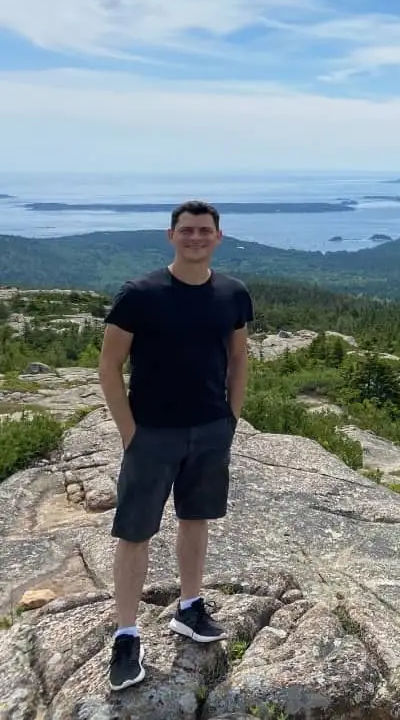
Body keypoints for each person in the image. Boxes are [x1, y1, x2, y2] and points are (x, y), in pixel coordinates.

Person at [97, 200, 254, 691]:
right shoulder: (139, 295)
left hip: (209, 428)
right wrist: (130, 432)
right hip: (153, 432)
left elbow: (238, 358)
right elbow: (109, 366)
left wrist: (231, 416)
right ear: (171, 236)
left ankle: (189, 606)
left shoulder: (233, 294)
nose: (195, 238)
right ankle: (126, 634)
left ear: (218, 238)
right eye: (186, 231)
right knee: (136, 531)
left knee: (195, 519)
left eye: (204, 231)